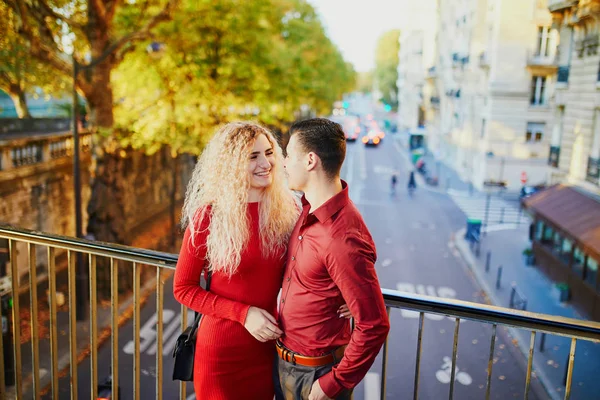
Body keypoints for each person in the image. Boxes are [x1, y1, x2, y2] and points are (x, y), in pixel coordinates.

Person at [172, 122, 351, 400]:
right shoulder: (209, 216)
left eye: (269, 153)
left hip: (271, 349)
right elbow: (183, 288)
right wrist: (243, 314)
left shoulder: (289, 208)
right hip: (223, 353)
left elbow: (316, 261)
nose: (265, 163)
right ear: (231, 164)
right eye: (252, 156)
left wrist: (345, 292)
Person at [277, 118, 390, 400]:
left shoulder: (342, 235)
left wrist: (333, 384)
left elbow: (374, 325)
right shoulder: (307, 209)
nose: (284, 163)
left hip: (316, 375)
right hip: (284, 363)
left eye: (289, 155)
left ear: (311, 160)